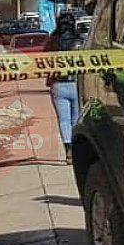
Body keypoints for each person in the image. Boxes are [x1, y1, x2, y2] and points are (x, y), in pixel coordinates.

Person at [44, 12, 84, 162]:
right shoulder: (79, 41)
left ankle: (68, 150)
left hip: (58, 84)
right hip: (76, 83)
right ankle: (77, 148)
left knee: (63, 120)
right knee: (76, 120)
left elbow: (42, 61)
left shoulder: (52, 41)